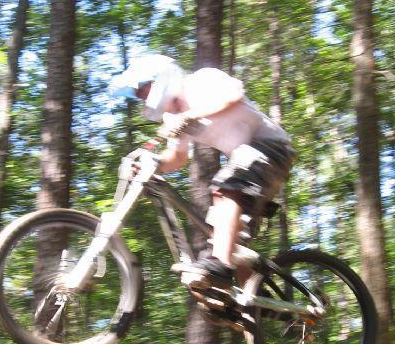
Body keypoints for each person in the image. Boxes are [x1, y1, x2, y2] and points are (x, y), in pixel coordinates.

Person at [111, 54, 294, 292]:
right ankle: (256, 305)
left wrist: (191, 115)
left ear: (160, 78)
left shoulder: (201, 81)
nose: (142, 98)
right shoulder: (172, 117)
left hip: (273, 148)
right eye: (139, 96)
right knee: (222, 238)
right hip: (250, 163)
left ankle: (222, 266)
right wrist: (153, 165)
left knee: (227, 188)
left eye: (143, 91)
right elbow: (178, 157)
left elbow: (233, 97)